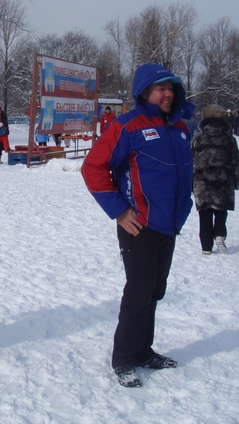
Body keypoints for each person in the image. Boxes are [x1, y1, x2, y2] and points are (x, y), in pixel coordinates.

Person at [81, 63, 194, 388]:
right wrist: (119, 210)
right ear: (145, 91)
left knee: (154, 292)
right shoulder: (127, 126)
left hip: (168, 225)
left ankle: (143, 350)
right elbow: (93, 167)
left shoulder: (180, 127)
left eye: (171, 88)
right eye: (161, 88)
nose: (168, 93)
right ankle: (124, 358)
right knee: (139, 291)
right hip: (139, 226)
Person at [191, 104, 239, 255]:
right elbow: (235, 160)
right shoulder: (229, 139)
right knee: (221, 210)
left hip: (202, 182)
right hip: (223, 179)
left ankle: (206, 247)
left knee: (205, 213)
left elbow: (191, 160)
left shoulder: (198, 139)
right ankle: (220, 234)